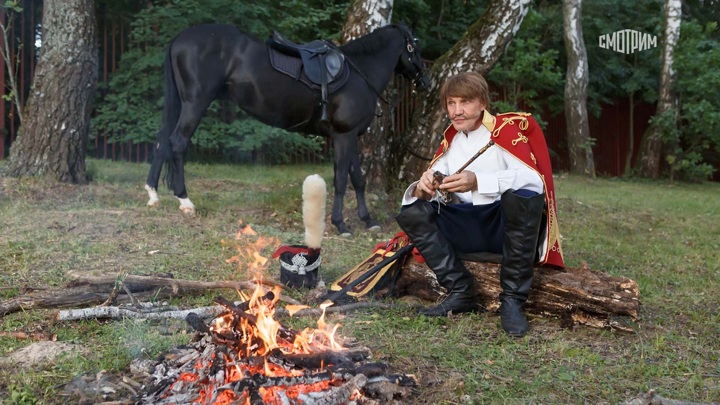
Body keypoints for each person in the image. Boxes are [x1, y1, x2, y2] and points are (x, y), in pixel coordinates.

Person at [395, 72, 564, 336]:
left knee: (522, 198)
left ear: (482, 102)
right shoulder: (451, 141)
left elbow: (535, 182)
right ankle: (461, 291)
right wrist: (423, 185)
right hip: (467, 228)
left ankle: (512, 300)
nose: (457, 111)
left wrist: (478, 181)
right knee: (412, 208)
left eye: (465, 102)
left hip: (503, 229)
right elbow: (430, 186)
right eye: (451, 103)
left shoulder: (504, 132)